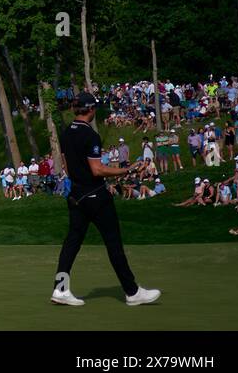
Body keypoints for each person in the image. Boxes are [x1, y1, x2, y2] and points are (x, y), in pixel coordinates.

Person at [51, 92, 160, 307]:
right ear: (90, 110)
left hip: (76, 196)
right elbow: (97, 168)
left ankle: (60, 289)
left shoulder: (65, 133)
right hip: (96, 196)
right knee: (113, 243)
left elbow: (67, 166)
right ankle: (132, 291)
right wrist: (125, 169)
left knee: (72, 243)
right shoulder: (90, 135)